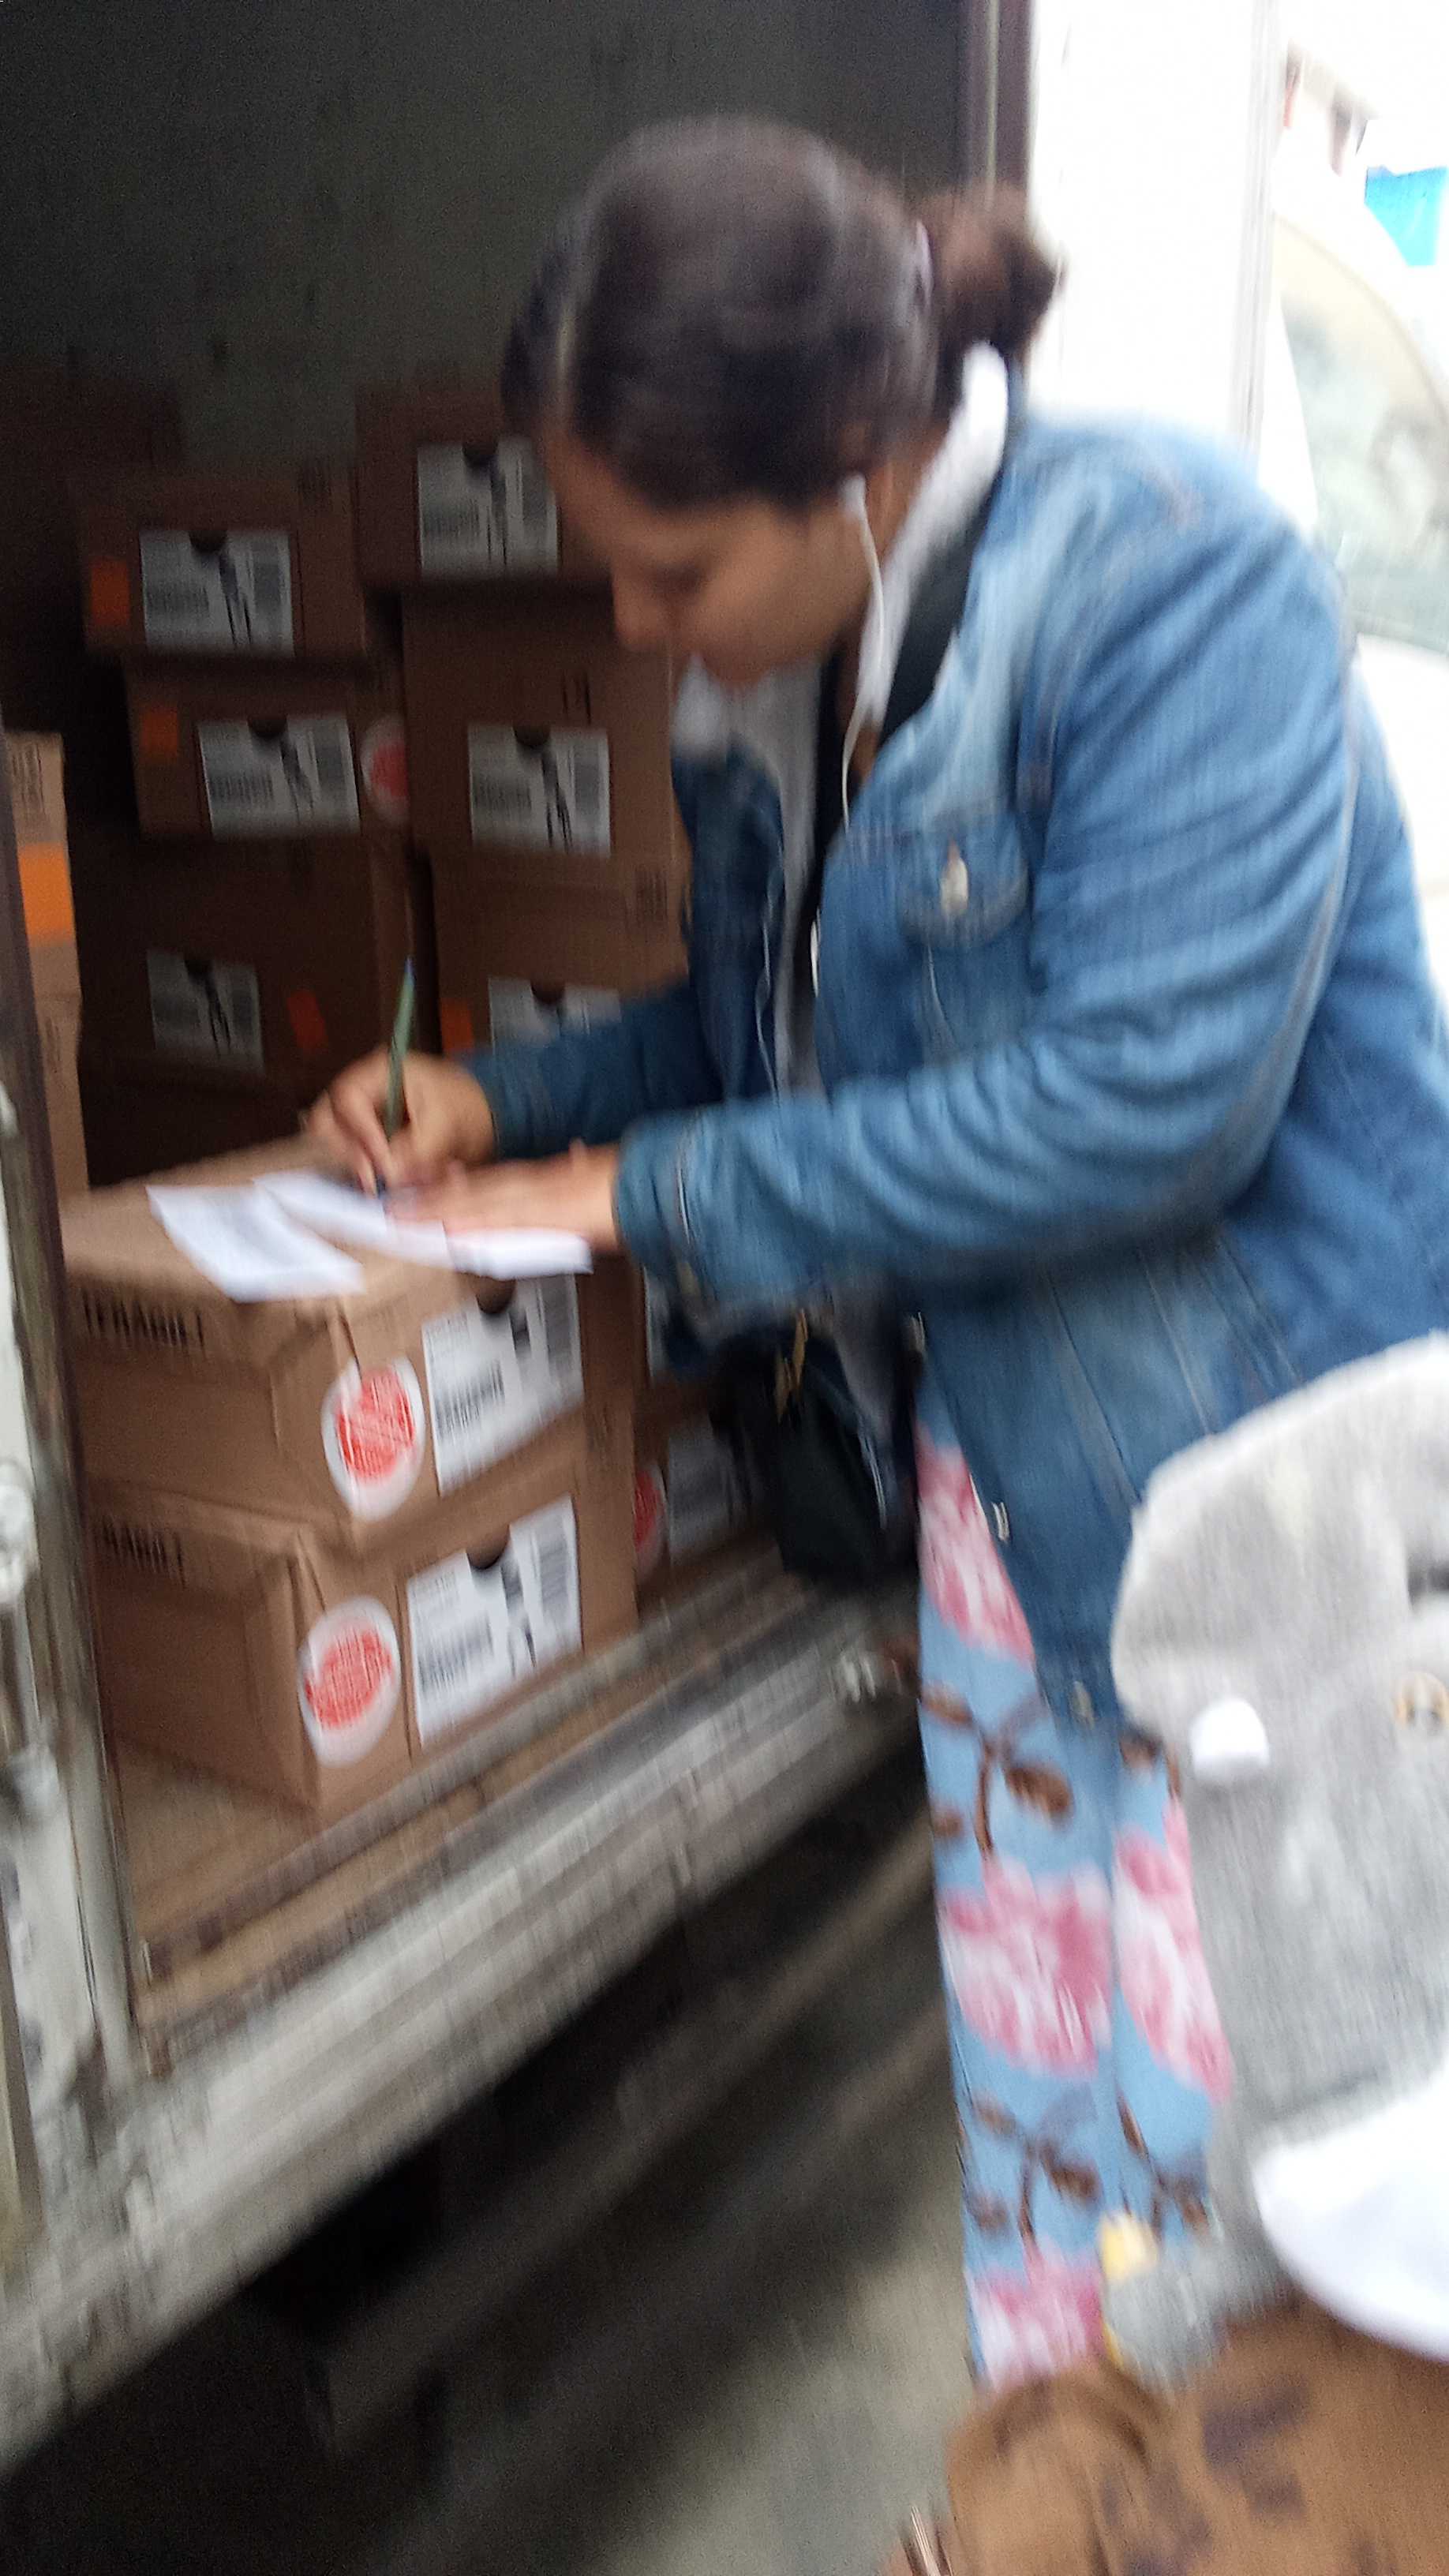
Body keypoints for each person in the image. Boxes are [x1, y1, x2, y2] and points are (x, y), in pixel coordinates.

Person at [313, 118, 1449, 2385]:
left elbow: (1148, 1102)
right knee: (1040, 2104)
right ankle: (1053, 2474)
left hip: (1250, 1516)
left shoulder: (1169, 581)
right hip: (1009, 1488)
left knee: (1270, 2167)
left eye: (671, 570)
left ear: (851, 461)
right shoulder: (779, 681)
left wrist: (647, 1196)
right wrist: (506, 1101)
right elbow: (764, 1025)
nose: (635, 627)